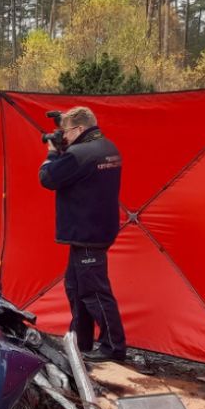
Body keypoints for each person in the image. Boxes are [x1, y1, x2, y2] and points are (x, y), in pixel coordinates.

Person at [38, 106, 125, 362]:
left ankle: (114, 348)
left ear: (78, 129)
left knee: (94, 291)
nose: (63, 136)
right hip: (97, 228)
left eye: (65, 131)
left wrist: (53, 153)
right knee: (76, 287)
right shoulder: (107, 148)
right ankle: (80, 341)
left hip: (87, 231)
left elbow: (48, 178)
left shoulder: (80, 154)